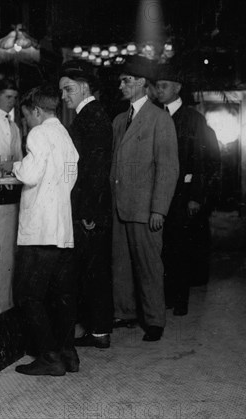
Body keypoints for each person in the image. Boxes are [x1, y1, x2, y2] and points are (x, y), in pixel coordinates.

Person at [110, 55, 179, 342]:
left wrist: (159, 210)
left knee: (149, 266)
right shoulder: (118, 120)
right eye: (120, 81)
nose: (121, 85)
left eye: (126, 80)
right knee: (121, 264)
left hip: (145, 207)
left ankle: (154, 321)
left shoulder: (160, 118)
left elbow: (168, 167)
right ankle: (125, 312)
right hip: (119, 206)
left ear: (140, 82)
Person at [12, 84, 79, 376]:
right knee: (60, 295)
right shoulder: (63, 133)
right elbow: (70, 174)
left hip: (40, 230)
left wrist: (14, 165)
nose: (25, 122)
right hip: (61, 229)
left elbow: (30, 173)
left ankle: (50, 357)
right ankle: (68, 354)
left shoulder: (39, 133)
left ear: (37, 111)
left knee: (28, 295)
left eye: (26, 116)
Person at [155, 63, 221, 316]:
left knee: (180, 249)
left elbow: (202, 160)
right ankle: (168, 296)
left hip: (183, 197)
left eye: (164, 86)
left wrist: (196, 196)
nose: (159, 91)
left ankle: (180, 300)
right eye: (157, 87)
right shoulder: (156, 116)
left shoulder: (193, 119)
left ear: (177, 88)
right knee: (164, 249)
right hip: (161, 195)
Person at [58, 60, 114, 348]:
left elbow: (95, 169)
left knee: (93, 272)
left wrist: (88, 211)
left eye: (68, 90)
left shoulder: (90, 116)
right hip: (93, 207)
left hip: (92, 210)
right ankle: (98, 330)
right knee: (94, 271)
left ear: (83, 87)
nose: (64, 96)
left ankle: (99, 331)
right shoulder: (90, 115)